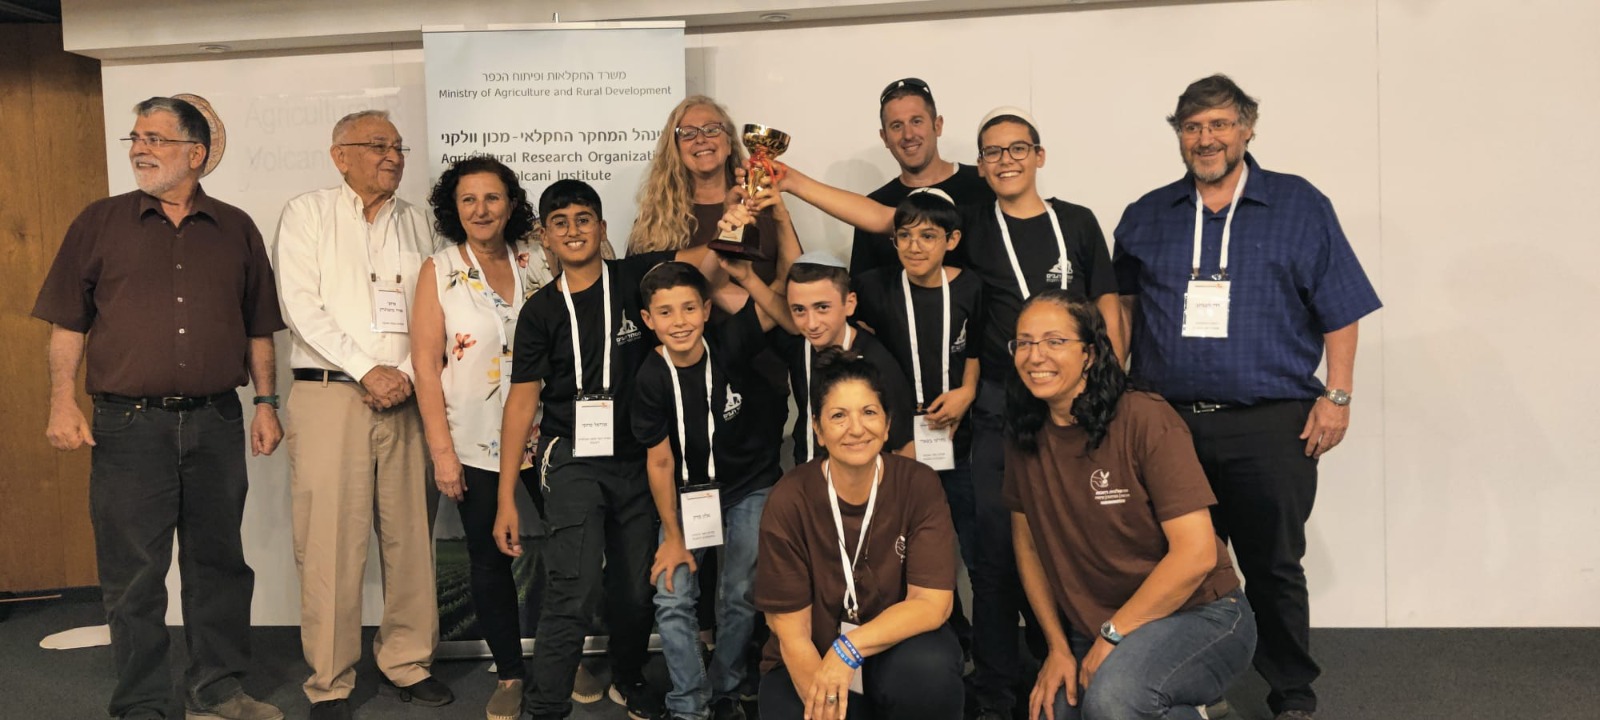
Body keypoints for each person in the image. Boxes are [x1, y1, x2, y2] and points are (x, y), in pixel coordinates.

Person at [779, 106, 1122, 720]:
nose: (1006, 160)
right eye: (993, 152)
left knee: (1074, 536)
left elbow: (1107, 301)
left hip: (1066, 404)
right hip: (995, 410)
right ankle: (994, 690)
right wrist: (790, 182)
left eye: (1018, 149)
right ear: (980, 166)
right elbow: (883, 218)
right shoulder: (972, 219)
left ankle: (1082, 665)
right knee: (991, 552)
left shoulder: (1075, 220)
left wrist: (1112, 386)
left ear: (1039, 155)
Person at [1113, 75, 1382, 720]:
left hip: (1270, 424)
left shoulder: (1298, 204)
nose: (1205, 138)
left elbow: (1340, 306)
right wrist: (1114, 402)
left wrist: (1337, 396)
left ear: (1247, 128)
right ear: (1178, 134)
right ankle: (1188, 687)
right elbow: (1121, 310)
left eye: (1219, 124)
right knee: (1176, 567)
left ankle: (1291, 693)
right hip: (1167, 424)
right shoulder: (1146, 214)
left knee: (1272, 566)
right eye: (1192, 127)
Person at [34, 96, 285, 720]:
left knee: (218, 563)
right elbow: (68, 323)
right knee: (134, 573)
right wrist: (62, 401)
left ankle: (217, 689)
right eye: (136, 137)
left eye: (155, 138)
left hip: (216, 420)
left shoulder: (237, 228)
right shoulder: (98, 222)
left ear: (195, 154)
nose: (140, 149)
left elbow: (258, 328)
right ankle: (142, 702)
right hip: (127, 426)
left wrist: (266, 403)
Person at [495, 179, 718, 720]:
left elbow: (706, 261)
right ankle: (547, 706)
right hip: (573, 458)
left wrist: (742, 212)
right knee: (572, 586)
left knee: (635, 587)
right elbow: (521, 403)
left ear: (601, 227)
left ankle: (628, 675)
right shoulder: (540, 311)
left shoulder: (636, 279)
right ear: (545, 236)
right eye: (560, 222)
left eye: (583, 219)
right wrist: (505, 497)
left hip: (640, 457)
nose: (573, 231)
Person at [272, 109, 450, 720]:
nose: (393, 157)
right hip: (330, 394)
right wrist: (365, 369)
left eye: (398, 147)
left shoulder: (420, 222)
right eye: (378, 146)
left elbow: (436, 306)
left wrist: (402, 374)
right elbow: (300, 307)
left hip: (408, 395)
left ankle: (408, 661)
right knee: (329, 543)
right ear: (339, 155)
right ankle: (330, 680)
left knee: (411, 538)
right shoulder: (307, 214)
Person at [1004, 290, 1256, 720]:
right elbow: (1028, 547)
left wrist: (1113, 635)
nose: (1035, 355)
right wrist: (1057, 647)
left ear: (1089, 354)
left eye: (1054, 341)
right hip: (1098, 624)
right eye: (1024, 342)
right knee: (1051, 713)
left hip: (1201, 614)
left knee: (1113, 702)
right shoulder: (1025, 433)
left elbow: (1196, 554)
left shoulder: (1144, 417)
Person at [412, 156, 554, 720]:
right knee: (489, 559)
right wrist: (442, 453)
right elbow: (426, 368)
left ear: (511, 204)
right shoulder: (439, 269)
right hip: (473, 440)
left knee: (571, 551)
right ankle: (511, 673)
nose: (481, 209)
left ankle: (565, 659)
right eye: (468, 199)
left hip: (548, 433)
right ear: (454, 208)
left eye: (492, 197)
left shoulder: (539, 259)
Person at [754, 348, 963, 720]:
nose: (856, 428)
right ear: (817, 429)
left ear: (887, 424)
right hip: (811, 652)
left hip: (892, 648)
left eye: (869, 412)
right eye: (838, 415)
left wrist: (848, 648)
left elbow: (933, 604)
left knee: (929, 671)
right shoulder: (789, 498)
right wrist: (826, 701)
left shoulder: (918, 484)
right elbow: (792, 631)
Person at [631, 256, 793, 720]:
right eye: (665, 312)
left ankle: (725, 690)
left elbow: (781, 311)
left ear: (706, 310)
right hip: (688, 495)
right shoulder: (649, 377)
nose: (679, 322)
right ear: (648, 319)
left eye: (689, 308)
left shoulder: (729, 342)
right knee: (672, 594)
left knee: (739, 592)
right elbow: (660, 460)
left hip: (749, 485)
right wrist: (672, 536)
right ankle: (689, 703)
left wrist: (747, 269)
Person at [848, 188, 984, 661]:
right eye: (904, 236)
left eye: (928, 236)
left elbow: (976, 350)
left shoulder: (970, 287)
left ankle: (989, 654)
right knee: (912, 554)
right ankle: (945, 644)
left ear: (952, 240)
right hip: (902, 446)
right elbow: (830, 306)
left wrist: (968, 390)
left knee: (976, 550)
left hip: (958, 440)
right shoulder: (874, 286)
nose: (914, 246)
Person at [769, 252, 915, 465]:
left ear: (850, 304)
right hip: (808, 471)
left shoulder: (878, 363)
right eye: (799, 310)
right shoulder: (798, 345)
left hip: (863, 477)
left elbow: (905, 446)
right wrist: (747, 277)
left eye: (822, 308)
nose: (811, 324)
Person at [630, 95, 787, 282]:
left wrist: (765, 302)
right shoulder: (655, 219)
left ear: (729, 144)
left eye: (712, 130)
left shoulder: (762, 202)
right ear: (676, 150)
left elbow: (794, 279)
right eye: (688, 133)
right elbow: (637, 281)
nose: (700, 139)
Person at [849, 78, 994, 276]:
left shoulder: (985, 184)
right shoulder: (872, 207)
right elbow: (862, 287)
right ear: (884, 137)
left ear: (938, 125)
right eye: (896, 126)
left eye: (916, 121)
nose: (908, 135)